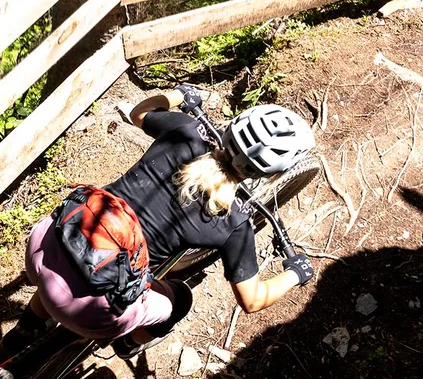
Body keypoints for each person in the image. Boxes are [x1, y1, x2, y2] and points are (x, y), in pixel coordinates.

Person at [0, 90, 315, 363]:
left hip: (45, 244)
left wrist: (180, 95)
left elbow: (140, 112)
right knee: (181, 298)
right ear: (270, 174)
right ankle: (127, 343)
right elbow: (253, 300)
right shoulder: (235, 223)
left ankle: (24, 330)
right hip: (92, 311)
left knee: (76, 252)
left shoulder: (186, 131)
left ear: (232, 126)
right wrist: (295, 273)